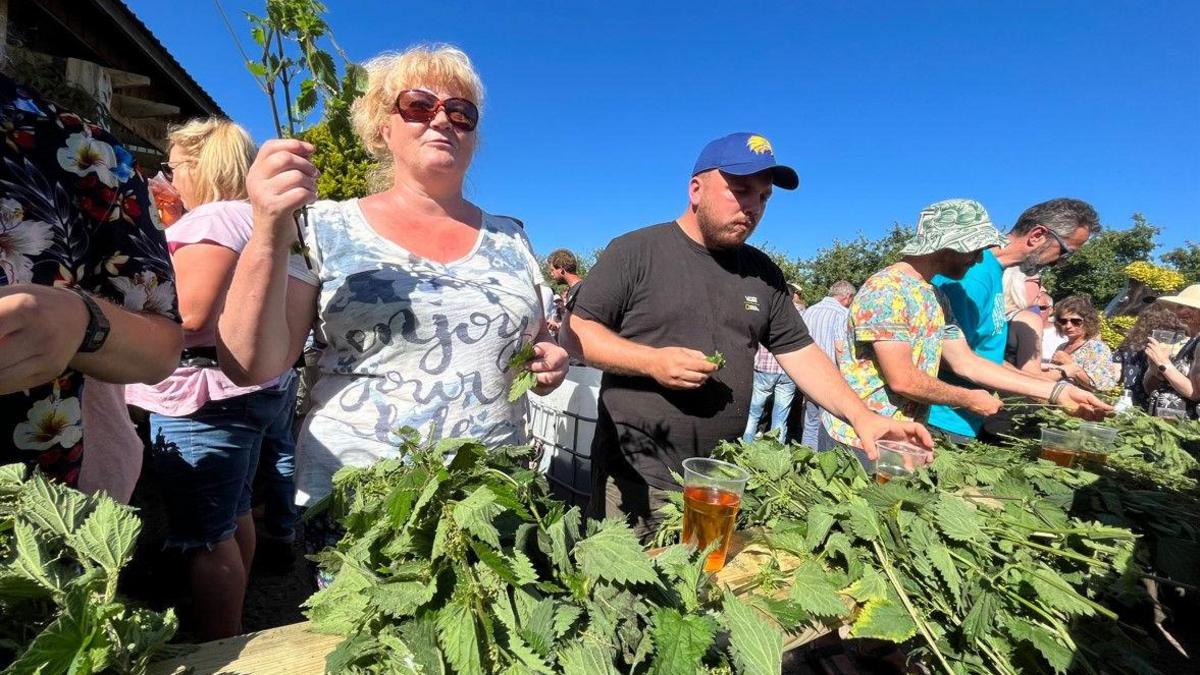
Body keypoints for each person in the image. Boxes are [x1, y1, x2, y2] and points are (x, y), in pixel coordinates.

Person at [217, 46, 569, 536]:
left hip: (489, 496)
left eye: (461, 112)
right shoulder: (324, 227)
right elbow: (249, 363)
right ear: (384, 128)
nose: (443, 120)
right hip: (361, 500)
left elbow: (525, 345)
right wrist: (267, 229)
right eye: (419, 106)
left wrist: (547, 360)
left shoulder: (512, 237)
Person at [562, 132, 932, 538]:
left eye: (763, 197)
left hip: (719, 479)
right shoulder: (636, 252)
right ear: (696, 189)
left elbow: (802, 353)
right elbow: (577, 333)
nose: (752, 207)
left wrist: (864, 417)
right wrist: (652, 362)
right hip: (637, 477)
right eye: (739, 190)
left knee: (705, 590)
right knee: (625, 597)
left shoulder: (763, 272)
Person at [123, 118, 308, 639]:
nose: (168, 175)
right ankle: (238, 609)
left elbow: (191, 314)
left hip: (198, 398)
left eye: (175, 166)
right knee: (233, 512)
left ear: (202, 166)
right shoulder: (249, 219)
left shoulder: (212, 222)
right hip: (242, 390)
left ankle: (218, 642)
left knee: (205, 535)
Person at [0, 74, 182, 485]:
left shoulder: (81, 153)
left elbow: (166, 345)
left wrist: (82, 320)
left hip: (31, 512)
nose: (172, 175)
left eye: (181, 165)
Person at [823, 199, 1110, 455]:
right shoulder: (888, 290)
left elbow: (967, 362)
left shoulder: (935, 297)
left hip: (900, 436)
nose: (978, 257)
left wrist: (1057, 393)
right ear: (948, 244)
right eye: (974, 248)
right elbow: (903, 379)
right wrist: (968, 398)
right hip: (860, 439)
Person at [926, 198, 1100, 442]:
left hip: (965, 421)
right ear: (1038, 235)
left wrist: (1053, 389)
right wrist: (1052, 391)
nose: (1060, 263)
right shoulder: (971, 277)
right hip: (940, 420)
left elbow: (985, 357)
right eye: (1064, 252)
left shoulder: (993, 272)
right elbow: (952, 358)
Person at [800, 280, 857, 450]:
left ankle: (805, 461)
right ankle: (822, 463)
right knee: (828, 425)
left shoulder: (810, 311)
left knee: (810, 421)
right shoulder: (842, 314)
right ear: (847, 297)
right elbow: (840, 349)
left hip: (807, 375)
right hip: (830, 377)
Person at [1114, 301, 1188, 410]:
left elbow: (1114, 376)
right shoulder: (1176, 347)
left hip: (1130, 404)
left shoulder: (1129, 347)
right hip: (1162, 408)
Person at [1142, 285, 1200, 419]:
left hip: (1185, 428)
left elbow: (1196, 393)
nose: (1183, 311)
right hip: (1163, 421)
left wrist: (1164, 363)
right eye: (1180, 306)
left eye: (1192, 308)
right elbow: (1150, 388)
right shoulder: (1188, 342)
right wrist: (1154, 367)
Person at [1047, 296, 1119, 391]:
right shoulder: (1062, 347)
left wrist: (1070, 364)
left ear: (1088, 322)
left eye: (1075, 321)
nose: (1068, 326)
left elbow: (1101, 386)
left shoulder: (1097, 348)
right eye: (1063, 321)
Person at [741, 343, 797, 443]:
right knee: (780, 418)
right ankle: (776, 454)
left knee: (753, 415)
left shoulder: (767, 326)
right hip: (789, 370)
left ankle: (746, 450)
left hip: (764, 368)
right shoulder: (796, 326)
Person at [1002, 268, 1048, 376]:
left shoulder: (993, 315)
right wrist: (1066, 371)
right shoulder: (1029, 320)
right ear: (1020, 283)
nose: (1043, 289)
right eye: (1038, 282)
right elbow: (1031, 377)